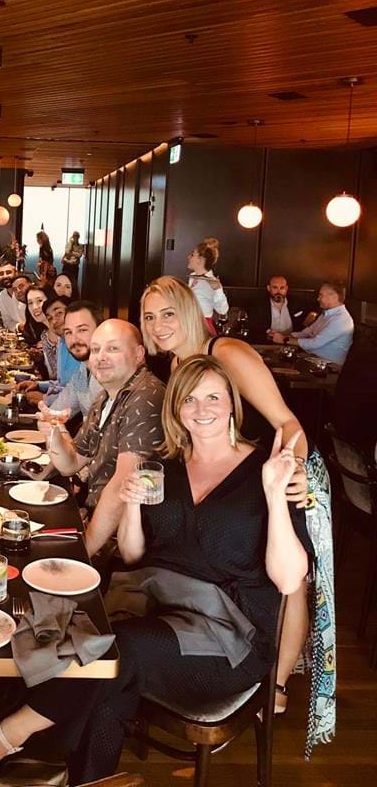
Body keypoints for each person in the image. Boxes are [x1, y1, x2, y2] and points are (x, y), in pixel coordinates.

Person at [0, 355, 311, 787]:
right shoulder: (166, 468)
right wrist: (132, 505)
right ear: (176, 408)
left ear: (232, 403)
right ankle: (76, 776)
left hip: (229, 638)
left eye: (213, 397)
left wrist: (274, 496)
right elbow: (135, 557)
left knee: (115, 652)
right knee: (91, 660)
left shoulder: (268, 472)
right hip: (156, 607)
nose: (201, 409)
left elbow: (289, 580)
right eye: (189, 399)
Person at [140, 276, 333, 738]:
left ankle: (277, 684)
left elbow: (289, 424)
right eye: (149, 317)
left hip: (285, 470)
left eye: (169, 313)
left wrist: (289, 475)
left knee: (291, 582)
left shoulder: (225, 352)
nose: (159, 325)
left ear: (190, 311)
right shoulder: (178, 361)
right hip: (240, 477)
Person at [45, 318, 165, 556]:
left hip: (128, 542)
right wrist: (53, 429)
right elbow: (71, 463)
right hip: (97, 521)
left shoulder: (146, 395)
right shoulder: (106, 397)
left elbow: (123, 482)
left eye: (113, 348)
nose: (100, 357)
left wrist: (82, 554)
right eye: (96, 349)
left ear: (139, 354)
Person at [39, 300, 104, 417]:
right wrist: (46, 417)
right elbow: (57, 410)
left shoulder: (109, 373)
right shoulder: (82, 370)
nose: (74, 340)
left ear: (100, 330)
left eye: (82, 330)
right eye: (68, 332)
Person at [269, 281, 354, 367]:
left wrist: (284, 339)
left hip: (328, 367)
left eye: (321, 295)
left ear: (334, 297)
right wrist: (281, 335)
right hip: (313, 359)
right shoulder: (326, 314)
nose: (318, 299)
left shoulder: (341, 319)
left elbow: (314, 343)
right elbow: (306, 333)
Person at [246, 275, 311, 343]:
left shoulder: (298, 303)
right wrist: (269, 335)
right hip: (267, 343)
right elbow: (253, 328)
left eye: (282, 288)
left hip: (292, 343)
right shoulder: (257, 305)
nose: (278, 292)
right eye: (275, 287)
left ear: (286, 288)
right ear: (268, 288)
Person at [187, 237, 229, 330]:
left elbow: (223, 310)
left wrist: (217, 289)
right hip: (189, 324)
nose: (188, 257)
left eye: (192, 254)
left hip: (202, 327)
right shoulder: (192, 277)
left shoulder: (212, 282)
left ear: (200, 259)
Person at [0, 262, 25, 331]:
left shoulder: (26, 292)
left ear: (16, 273)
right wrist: (19, 327)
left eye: (8, 272)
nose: (5, 276)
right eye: (1, 274)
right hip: (19, 333)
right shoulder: (1, 296)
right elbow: (7, 321)